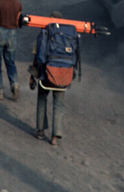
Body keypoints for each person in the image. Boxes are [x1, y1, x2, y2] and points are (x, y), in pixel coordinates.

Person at [30, 12, 77, 147]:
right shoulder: (69, 36)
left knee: (42, 99)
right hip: (64, 73)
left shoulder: (44, 33)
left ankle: (40, 130)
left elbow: (37, 56)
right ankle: (55, 136)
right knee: (59, 105)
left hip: (46, 73)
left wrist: (32, 76)